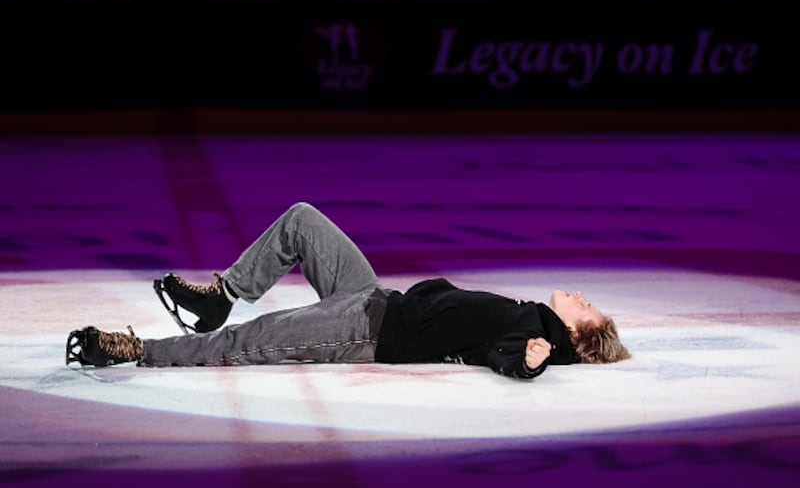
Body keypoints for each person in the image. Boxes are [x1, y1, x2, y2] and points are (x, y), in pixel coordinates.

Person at [66, 202, 630, 379]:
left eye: (588, 306)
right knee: (302, 220)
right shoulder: (526, 313)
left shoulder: (532, 333)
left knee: (254, 337)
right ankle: (221, 293)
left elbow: (502, 356)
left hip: (364, 329)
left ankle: (137, 350)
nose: (581, 294)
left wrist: (529, 363)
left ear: (582, 330)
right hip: (372, 296)